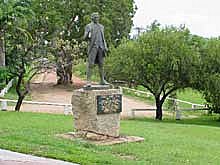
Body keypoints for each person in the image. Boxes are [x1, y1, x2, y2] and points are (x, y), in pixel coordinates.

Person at [83, 12, 109, 87]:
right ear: (92, 18)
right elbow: (84, 37)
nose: (97, 18)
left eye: (98, 17)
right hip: (93, 47)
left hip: (101, 47)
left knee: (101, 64)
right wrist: (88, 34)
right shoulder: (89, 26)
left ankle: (102, 80)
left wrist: (105, 46)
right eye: (95, 17)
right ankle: (88, 81)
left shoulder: (101, 26)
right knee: (90, 64)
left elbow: (103, 37)